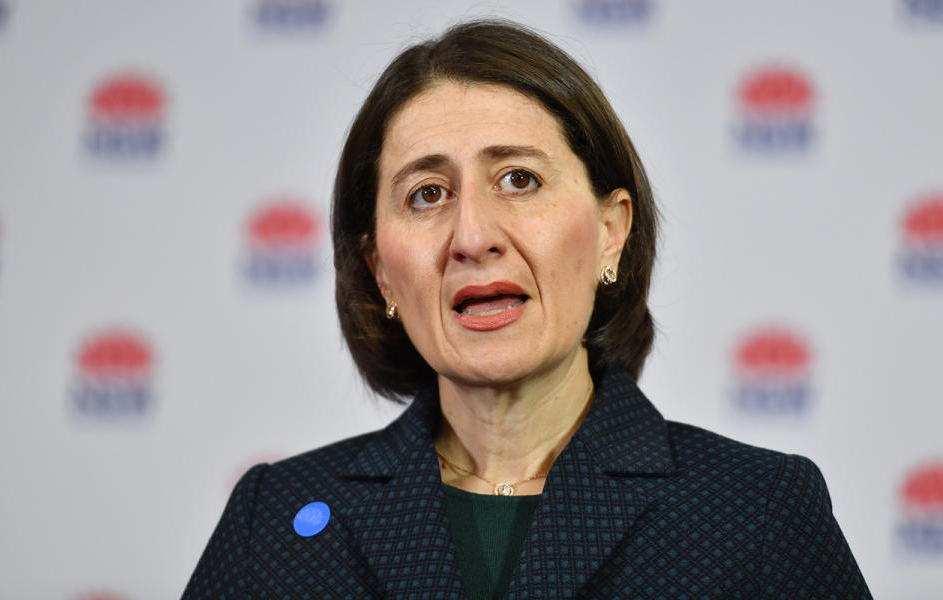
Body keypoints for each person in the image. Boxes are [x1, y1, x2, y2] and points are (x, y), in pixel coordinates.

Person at [183, 20, 871, 599]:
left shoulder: (754, 512)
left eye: (519, 179)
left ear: (611, 232)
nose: (472, 237)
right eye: (427, 194)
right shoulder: (273, 524)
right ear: (379, 271)